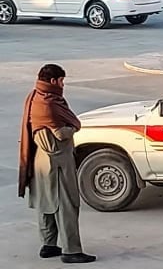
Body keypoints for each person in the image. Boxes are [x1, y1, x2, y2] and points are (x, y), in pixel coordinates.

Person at [19, 64, 96, 263]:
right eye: (62, 80)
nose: (63, 84)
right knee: (67, 205)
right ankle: (71, 251)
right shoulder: (50, 102)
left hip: (40, 160)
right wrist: (70, 129)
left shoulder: (34, 96)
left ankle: (48, 245)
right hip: (57, 160)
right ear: (53, 81)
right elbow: (70, 127)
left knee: (46, 203)